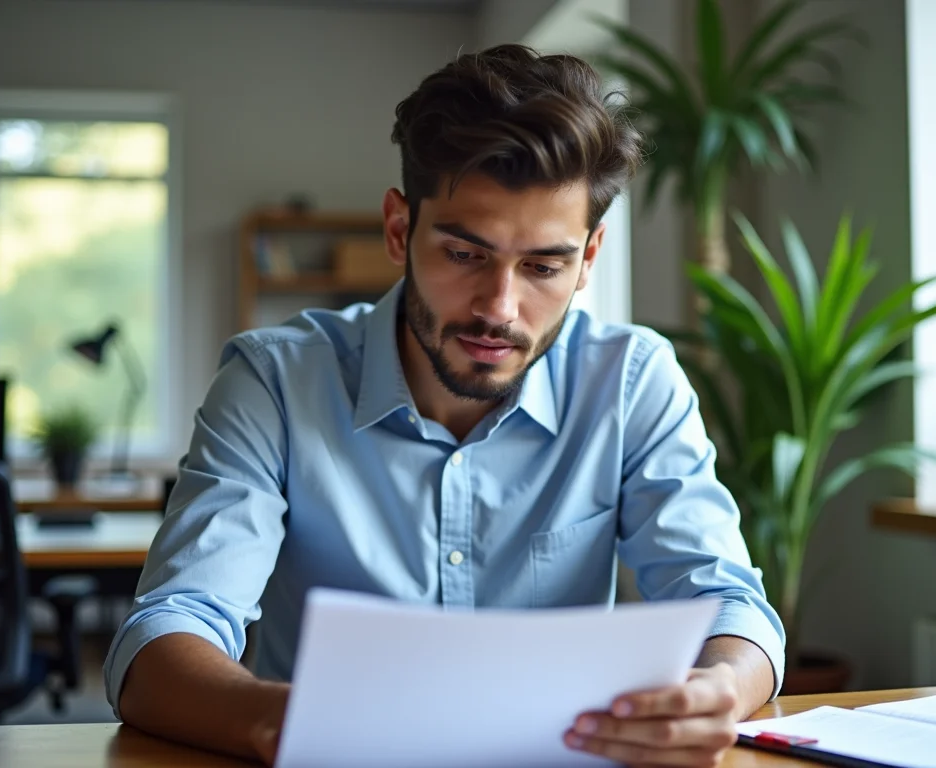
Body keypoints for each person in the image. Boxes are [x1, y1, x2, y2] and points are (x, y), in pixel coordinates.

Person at [105, 43, 785, 768]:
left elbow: (728, 601)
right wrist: (292, 721)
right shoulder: (274, 381)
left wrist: (718, 687)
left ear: (588, 260)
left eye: (544, 267)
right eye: (465, 254)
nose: (500, 307)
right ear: (399, 229)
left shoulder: (633, 381)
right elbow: (166, 633)